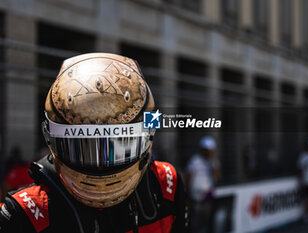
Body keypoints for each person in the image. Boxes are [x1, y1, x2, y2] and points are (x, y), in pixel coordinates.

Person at [0, 53, 187, 233]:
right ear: (51, 139)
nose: (100, 166)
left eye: (120, 146)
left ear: (149, 134)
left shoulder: (166, 185)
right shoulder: (25, 214)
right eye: (83, 149)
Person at [185, 136, 221, 233]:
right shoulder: (195, 161)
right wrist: (186, 196)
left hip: (208, 198)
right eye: (207, 150)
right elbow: (188, 179)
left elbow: (217, 177)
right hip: (196, 199)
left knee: (207, 223)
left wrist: (212, 164)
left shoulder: (214, 162)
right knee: (195, 224)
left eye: (210, 150)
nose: (209, 152)